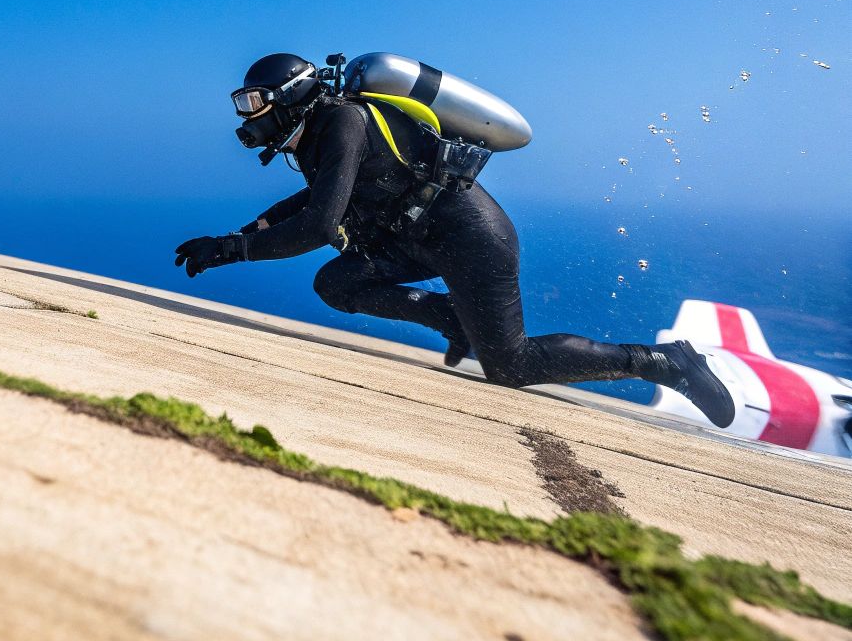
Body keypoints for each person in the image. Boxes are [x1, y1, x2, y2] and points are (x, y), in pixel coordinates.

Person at [173, 52, 737, 428]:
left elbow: (321, 225)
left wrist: (230, 250)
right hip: (415, 237)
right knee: (338, 281)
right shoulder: (317, 136)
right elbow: (317, 201)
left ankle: (664, 362)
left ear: (290, 97)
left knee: (510, 365)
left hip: (471, 241)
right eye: (243, 104)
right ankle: (451, 319)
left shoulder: (343, 122)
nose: (250, 116)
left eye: (254, 102)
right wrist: (237, 237)